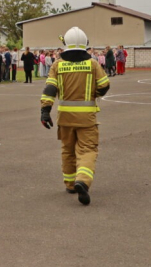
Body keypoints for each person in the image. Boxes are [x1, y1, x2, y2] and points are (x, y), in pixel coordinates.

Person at [40, 27, 110, 206]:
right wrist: (92, 93)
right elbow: (104, 85)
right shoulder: (92, 64)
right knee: (87, 150)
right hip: (86, 119)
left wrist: (45, 111)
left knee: (67, 150)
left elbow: (50, 89)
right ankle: (83, 181)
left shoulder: (58, 65)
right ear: (85, 44)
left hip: (65, 118)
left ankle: (71, 184)